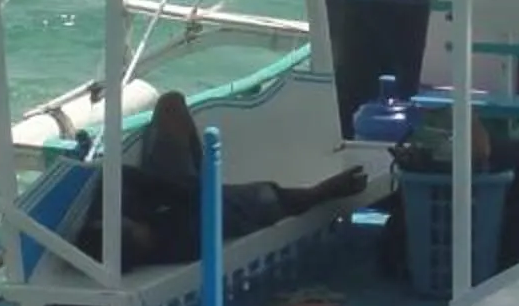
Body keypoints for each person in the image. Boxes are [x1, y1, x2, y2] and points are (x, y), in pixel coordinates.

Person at [107, 92, 368, 267]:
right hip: (190, 203)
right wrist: (323, 191)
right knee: (258, 200)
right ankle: (320, 192)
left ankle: (201, 178)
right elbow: (272, 202)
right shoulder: (186, 239)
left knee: (171, 103)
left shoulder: (130, 220)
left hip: (163, 191)